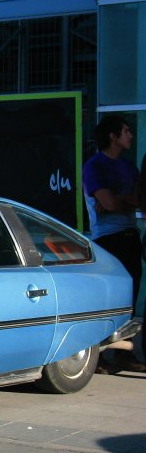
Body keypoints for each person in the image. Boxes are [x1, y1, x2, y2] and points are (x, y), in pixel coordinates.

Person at [82, 115, 144, 372]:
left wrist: (121, 200)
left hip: (130, 236)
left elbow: (139, 200)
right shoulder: (95, 166)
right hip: (107, 240)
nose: (131, 136)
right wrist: (122, 200)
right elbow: (108, 204)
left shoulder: (130, 167)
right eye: (126, 131)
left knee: (129, 299)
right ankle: (98, 356)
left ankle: (124, 353)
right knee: (108, 299)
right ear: (113, 136)